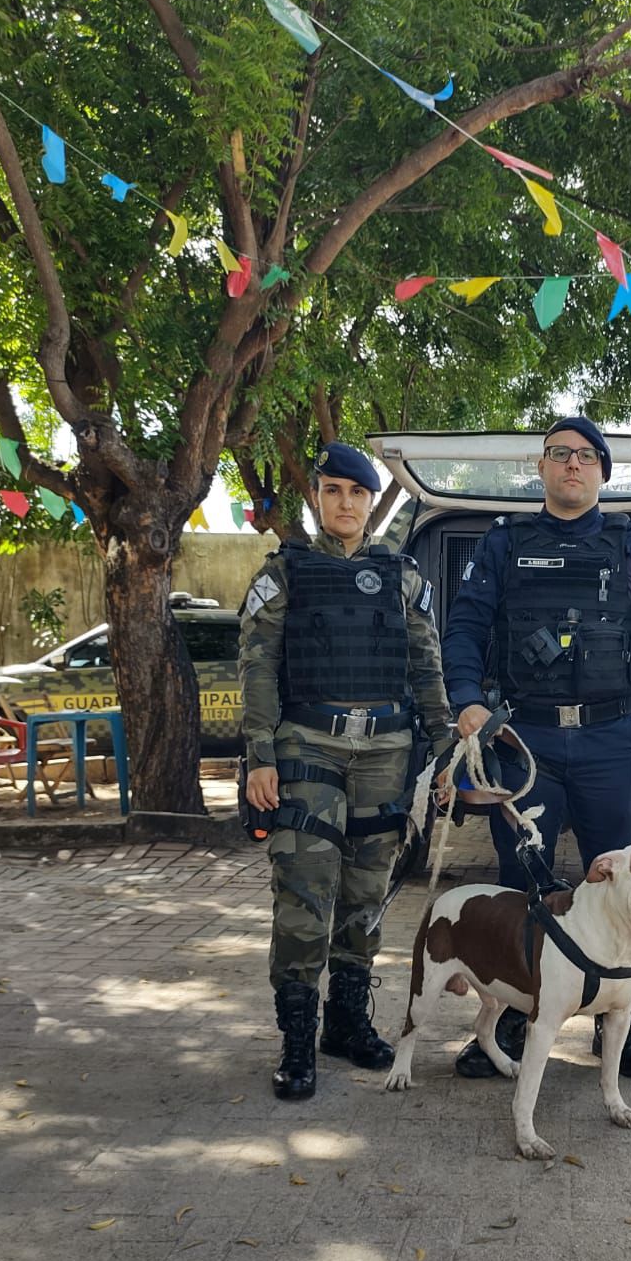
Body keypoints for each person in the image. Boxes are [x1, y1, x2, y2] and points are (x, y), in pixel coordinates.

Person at [442, 414, 631, 1080]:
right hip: (522, 737)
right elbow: (465, 624)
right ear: (542, 467)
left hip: (611, 738)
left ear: (603, 472)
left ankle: (622, 1022)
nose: (572, 466)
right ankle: (499, 1027)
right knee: (519, 888)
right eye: (559, 454)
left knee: (622, 891)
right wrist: (467, 696)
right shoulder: (504, 543)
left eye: (586, 457)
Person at [239, 441, 454, 1100]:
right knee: (305, 891)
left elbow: (425, 665)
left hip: (386, 750)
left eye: (356, 493)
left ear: (370, 501)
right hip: (308, 744)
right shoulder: (284, 574)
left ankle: (346, 1025)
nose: (344, 503)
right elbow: (257, 667)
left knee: (366, 893)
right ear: (318, 496)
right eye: (333, 490)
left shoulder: (401, 575)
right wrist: (258, 757)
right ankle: (297, 1044)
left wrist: (445, 745)